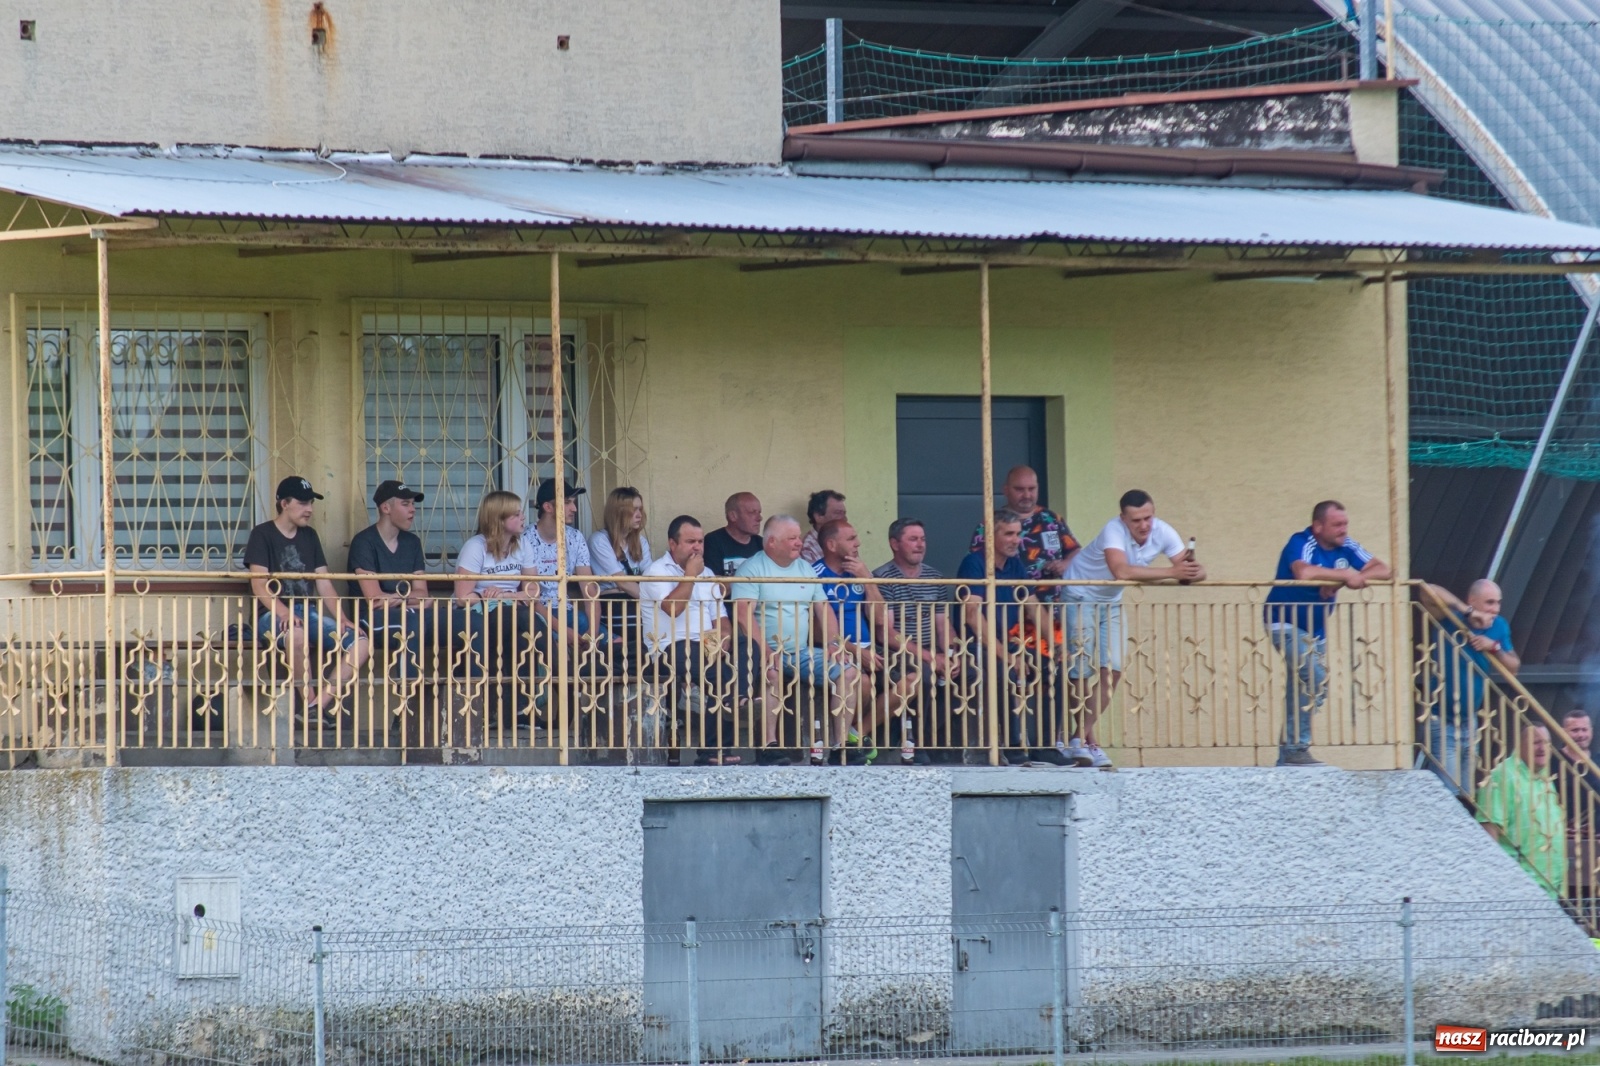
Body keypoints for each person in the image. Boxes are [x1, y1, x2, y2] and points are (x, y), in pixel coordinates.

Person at [1058, 490, 1204, 770]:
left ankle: (1078, 738)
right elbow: (1121, 571)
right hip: (1078, 595)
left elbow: (1191, 569)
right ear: (1123, 518)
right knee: (1080, 670)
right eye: (1136, 520)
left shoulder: (1163, 531)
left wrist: (1195, 571)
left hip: (1110, 601)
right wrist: (1173, 573)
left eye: (1148, 517)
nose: (1144, 525)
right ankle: (1087, 741)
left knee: (1112, 670)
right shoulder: (1113, 530)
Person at [639, 515, 786, 766]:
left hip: (707, 646)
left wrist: (724, 639)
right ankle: (722, 731)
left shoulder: (707, 573)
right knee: (721, 675)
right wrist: (690, 576)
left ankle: (732, 708)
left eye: (700, 541)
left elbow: (722, 621)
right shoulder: (656, 571)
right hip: (668, 647)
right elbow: (673, 609)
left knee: (747, 645)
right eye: (690, 542)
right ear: (672, 544)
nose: (697, 547)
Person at [1263, 501, 1392, 767]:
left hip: (1316, 630)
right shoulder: (1301, 541)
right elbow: (1304, 571)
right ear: (1318, 526)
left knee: (1301, 686)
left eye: (1345, 524)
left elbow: (1385, 569)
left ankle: (1289, 755)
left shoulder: (1346, 545)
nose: (1343, 530)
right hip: (1282, 623)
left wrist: (1340, 580)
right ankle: (1296, 748)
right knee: (1315, 678)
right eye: (1337, 525)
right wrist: (1343, 575)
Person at [730, 515, 866, 765]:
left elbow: (824, 610)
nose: (798, 542)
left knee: (848, 672)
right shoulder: (752, 568)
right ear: (771, 542)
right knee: (772, 674)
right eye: (791, 538)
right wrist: (766, 650)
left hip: (802, 653)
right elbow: (742, 615)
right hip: (763, 652)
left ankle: (841, 746)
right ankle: (769, 746)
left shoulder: (805, 568)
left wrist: (833, 645)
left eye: (798, 537)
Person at [246, 476, 371, 719]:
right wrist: (283, 612)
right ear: (284, 503)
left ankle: (316, 707)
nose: (310, 509)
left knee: (361, 642)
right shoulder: (262, 534)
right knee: (296, 633)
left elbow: (324, 584)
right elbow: (259, 585)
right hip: (271, 615)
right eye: (303, 503)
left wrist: (343, 619)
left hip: (308, 615)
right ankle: (309, 702)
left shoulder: (310, 536)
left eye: (311, 503)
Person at [958, 509, 1072, 766]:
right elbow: (972, 616)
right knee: (1002, 670)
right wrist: (1006, 656)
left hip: (1006, 644)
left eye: (1018, 533)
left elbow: (1033, 606)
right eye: (1008, 534)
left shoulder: (1015, 565)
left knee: (1054, 668)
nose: (1016, 539)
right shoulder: (974, 563)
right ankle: (1011, 744)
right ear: (991, 536)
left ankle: (1045, 746)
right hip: (973, 646)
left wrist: (1055, 646)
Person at [813, 519, 921, 763]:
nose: (858, 543)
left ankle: (858, 733)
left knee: (912, 679)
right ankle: (848, 741)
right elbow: (815, 632)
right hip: (838, 650)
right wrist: (852, 649)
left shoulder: (860, 572)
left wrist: (866, 580)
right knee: (862, 684)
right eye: (851, 539)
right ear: (831, 544)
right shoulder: (815, 575)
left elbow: (881, 619)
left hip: (871, 649)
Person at [874, 518, 975, 759]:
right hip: (898, 652)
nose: (920, 545)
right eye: (913, 539)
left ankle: (947, 743)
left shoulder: (935, 577)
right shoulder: (882, 578)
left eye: (922, 539)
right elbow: (885, 633)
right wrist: (931, 657)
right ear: (894, 544)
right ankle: (915, 744)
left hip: (931, 650)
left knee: (970, 673)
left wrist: (953, 654)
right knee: (926, 676)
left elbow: (943, 625)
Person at [1420, 579, 1519, 796]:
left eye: (1498, 603)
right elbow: (1426, 589)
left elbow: (1513, 666)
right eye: (1489, 603)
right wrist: (1467, 611)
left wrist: (1493, 647)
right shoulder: (1451, 617)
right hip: (1442, 720)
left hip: (1470, 722)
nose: (1494, 609)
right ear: (1472, 601)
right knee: (1449, 795)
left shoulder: (1499, 625)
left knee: (1467, 795)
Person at [455, 491, 542, 723]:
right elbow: (462, 597)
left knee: (525, 625)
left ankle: (522, 709)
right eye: (516, 513)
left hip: (513, 611)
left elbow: (534, 590)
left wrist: (504, 595)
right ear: (499, 519)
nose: (523, 517)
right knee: (521, 622)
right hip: (478, 614)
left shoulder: (522, 545)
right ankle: (504, 710)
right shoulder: (476, 547)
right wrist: (488, 597)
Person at [348, 480, 433, 682]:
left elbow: (423, 593)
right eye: (406, 504)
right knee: (411, 621)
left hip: (408, 614)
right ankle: (409, 703)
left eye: (413, 504)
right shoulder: (364, 542)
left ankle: (473, 701)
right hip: (369, 620)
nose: (412, 510)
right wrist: (411, 601)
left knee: (469, 622)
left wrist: (396, 598)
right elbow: (375, 600)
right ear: (386, 508)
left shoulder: (412, 542)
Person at [1477, 722, 1567, 899]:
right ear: (1521, 745)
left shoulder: (1546, 779)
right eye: (1536, 742)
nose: (1542, 749)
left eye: (1546, 743)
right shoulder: (1502, 776)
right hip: (1522, 889)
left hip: (1552, 889)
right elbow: (1488, 832)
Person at [969, 466, 1079, 601]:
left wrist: (1064, 564)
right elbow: (976, 564)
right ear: (1006, 490)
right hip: (1007, 610)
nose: (1027, 495)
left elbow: (1075, 551)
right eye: (1019, 489)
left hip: (1051, 609)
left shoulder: (1052, 519)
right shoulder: (990, 524)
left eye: (1031, 489)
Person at [524, 478, 604, 655]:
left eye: (573, 503)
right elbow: (531, 600)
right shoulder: (524, 539)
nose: (574, 509)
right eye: (567, 502)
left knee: (615, 644)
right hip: (537, 616)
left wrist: (593, 632)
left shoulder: (575, 537)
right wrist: (562, 631)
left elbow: (590, 590)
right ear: (548, 507)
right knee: (559, 651)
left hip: (568, 612)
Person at [589, 486, 653, 598]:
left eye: (640, 509)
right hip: (613, 605)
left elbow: (650, 577)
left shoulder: (640, 541)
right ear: (618, 512)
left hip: (637, 602)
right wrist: (655, 601)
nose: (639, 515)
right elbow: (622, 582)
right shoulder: (600, 540)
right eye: (633, 510)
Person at [704, 492, 766, 579]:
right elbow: (715, 587)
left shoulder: (762, 544)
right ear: (733, 516)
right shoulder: (713, 541)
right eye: (752, 512)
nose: (759, 518)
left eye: (759, 512)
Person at [801, 490, 847, 565]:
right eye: (838, 513)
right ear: (818, 517)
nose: (844, 518)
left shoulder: (845, 540)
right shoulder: (808, 549)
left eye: (844, 513)